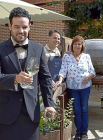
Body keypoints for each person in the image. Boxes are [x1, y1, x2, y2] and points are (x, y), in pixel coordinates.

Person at [0, 7, 56, 140]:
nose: (21, 31)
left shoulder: (38, 49)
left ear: (30, 26)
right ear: (9, 26)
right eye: (16, 27)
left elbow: (45, 79)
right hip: (7, 114)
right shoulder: (0, 49)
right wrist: (15, 79)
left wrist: (49, 104)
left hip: (31, 114)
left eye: (24, 27)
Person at [56, 35, 96, 140]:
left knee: (84, 108)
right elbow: (63, 70)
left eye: (79, 44)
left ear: (82, 46)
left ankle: (84, 132)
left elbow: (92, 71)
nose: (77, 46)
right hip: (72, 88)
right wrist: (60, 80)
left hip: (85, 87)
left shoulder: (87, 56)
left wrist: (88, 78)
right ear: (72, 45)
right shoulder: (67, 57)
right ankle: (78, 131)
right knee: (77, 109)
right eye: (75, 44)